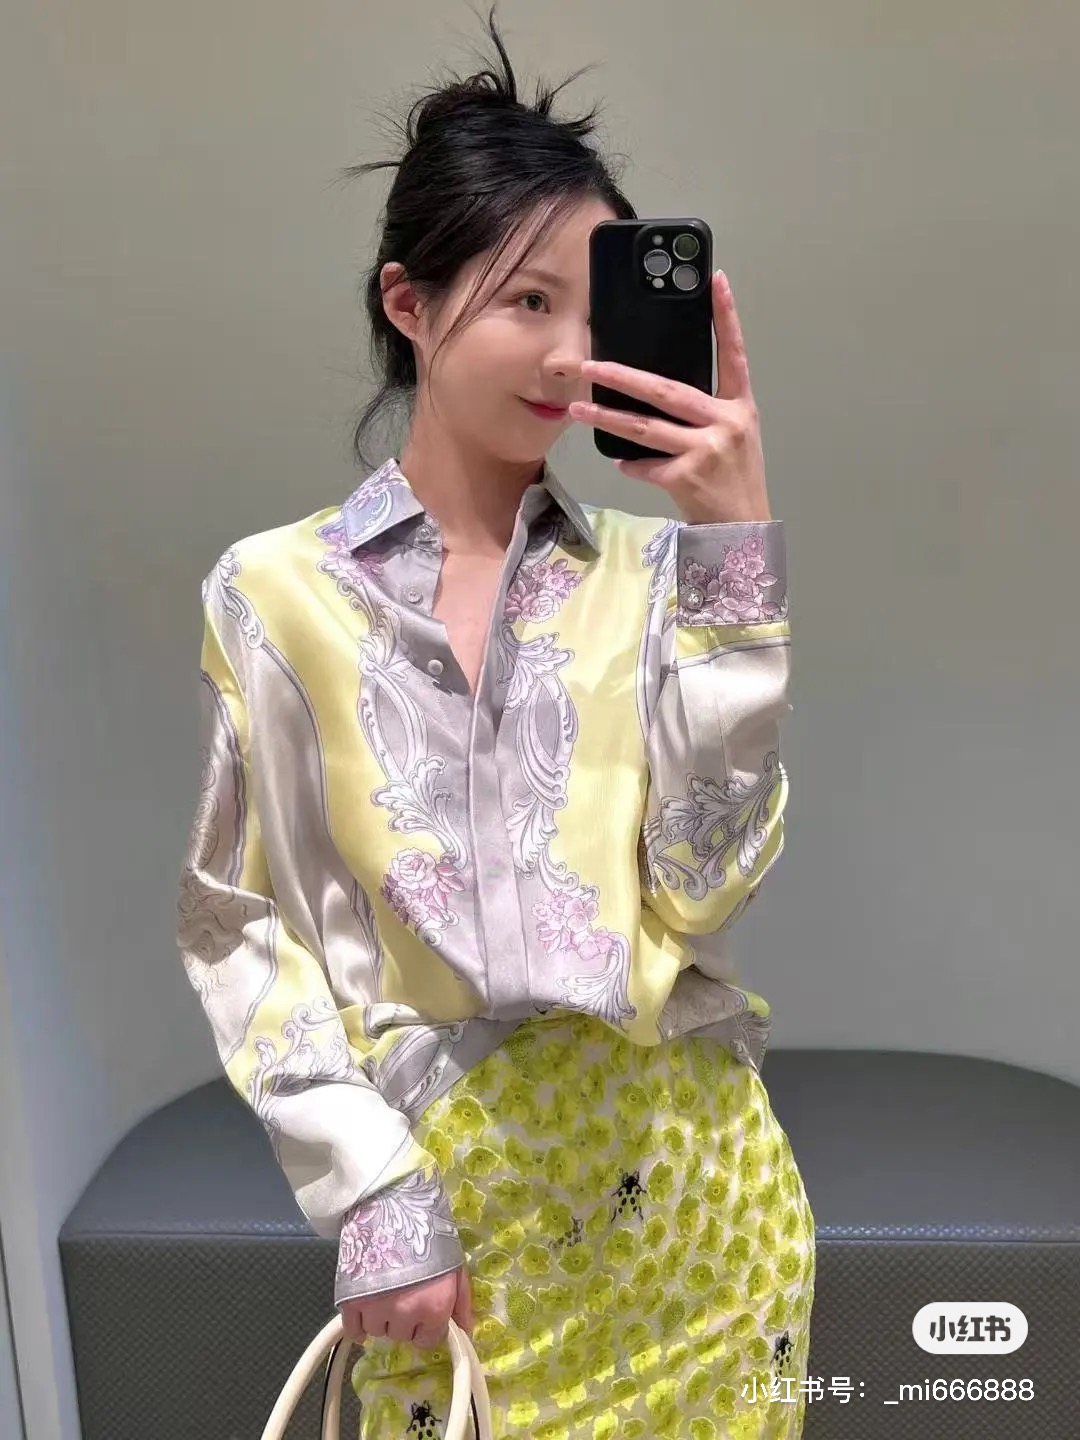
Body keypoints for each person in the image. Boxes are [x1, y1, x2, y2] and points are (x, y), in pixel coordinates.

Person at [176, 8, 815, 1438]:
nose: (571, 355)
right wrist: (371, 1190)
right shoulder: (272, 593)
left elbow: (707, 886)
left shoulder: (660, 577)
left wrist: (735, 559)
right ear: (409, 303)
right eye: (529, 301)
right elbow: (240, 924)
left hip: (701, 1214)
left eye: (596, 312)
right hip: (451, 1230)